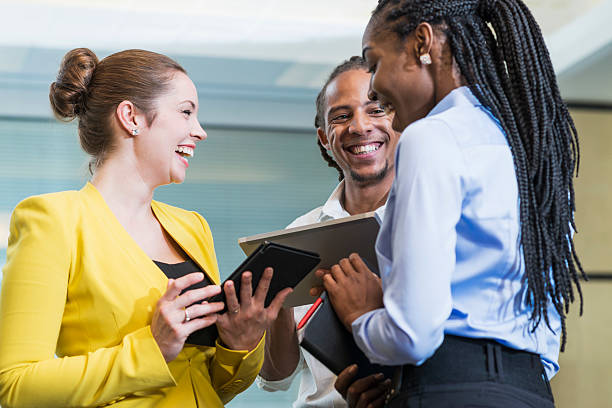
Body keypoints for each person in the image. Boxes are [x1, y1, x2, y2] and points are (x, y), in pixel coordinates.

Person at [322, 0, 585, 407]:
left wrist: (362, 316)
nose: (372, 87)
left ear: (422, 43)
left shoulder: (432, 137)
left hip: (451, 389)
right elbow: (547, 332)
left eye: (374, 64)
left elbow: (413, 334)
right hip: (530, 391)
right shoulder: (532, 147)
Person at [0, 48, 290, 407]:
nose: (199, 132)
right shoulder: (53, 220)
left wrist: (239, 344)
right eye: (186, 112)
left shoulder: (193, 227)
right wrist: (150, 350)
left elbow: (205, 385)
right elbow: (15, 388)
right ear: (130, 116)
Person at [256, 56, 400, 407]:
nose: (360, 126)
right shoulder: (299, 233)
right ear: (324, 137)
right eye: (341, 116)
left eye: (376, 109)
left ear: (402, 121)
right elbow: (277, 377)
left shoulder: (427, 222)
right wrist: (274, 311)